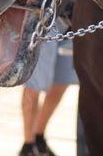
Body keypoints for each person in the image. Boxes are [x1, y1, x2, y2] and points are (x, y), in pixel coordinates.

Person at [19, 19, 78, 156]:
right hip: (43, 16)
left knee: (62, 81)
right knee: (34, 85)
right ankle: (28, 146)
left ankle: (39, 137)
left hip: (71, 18)